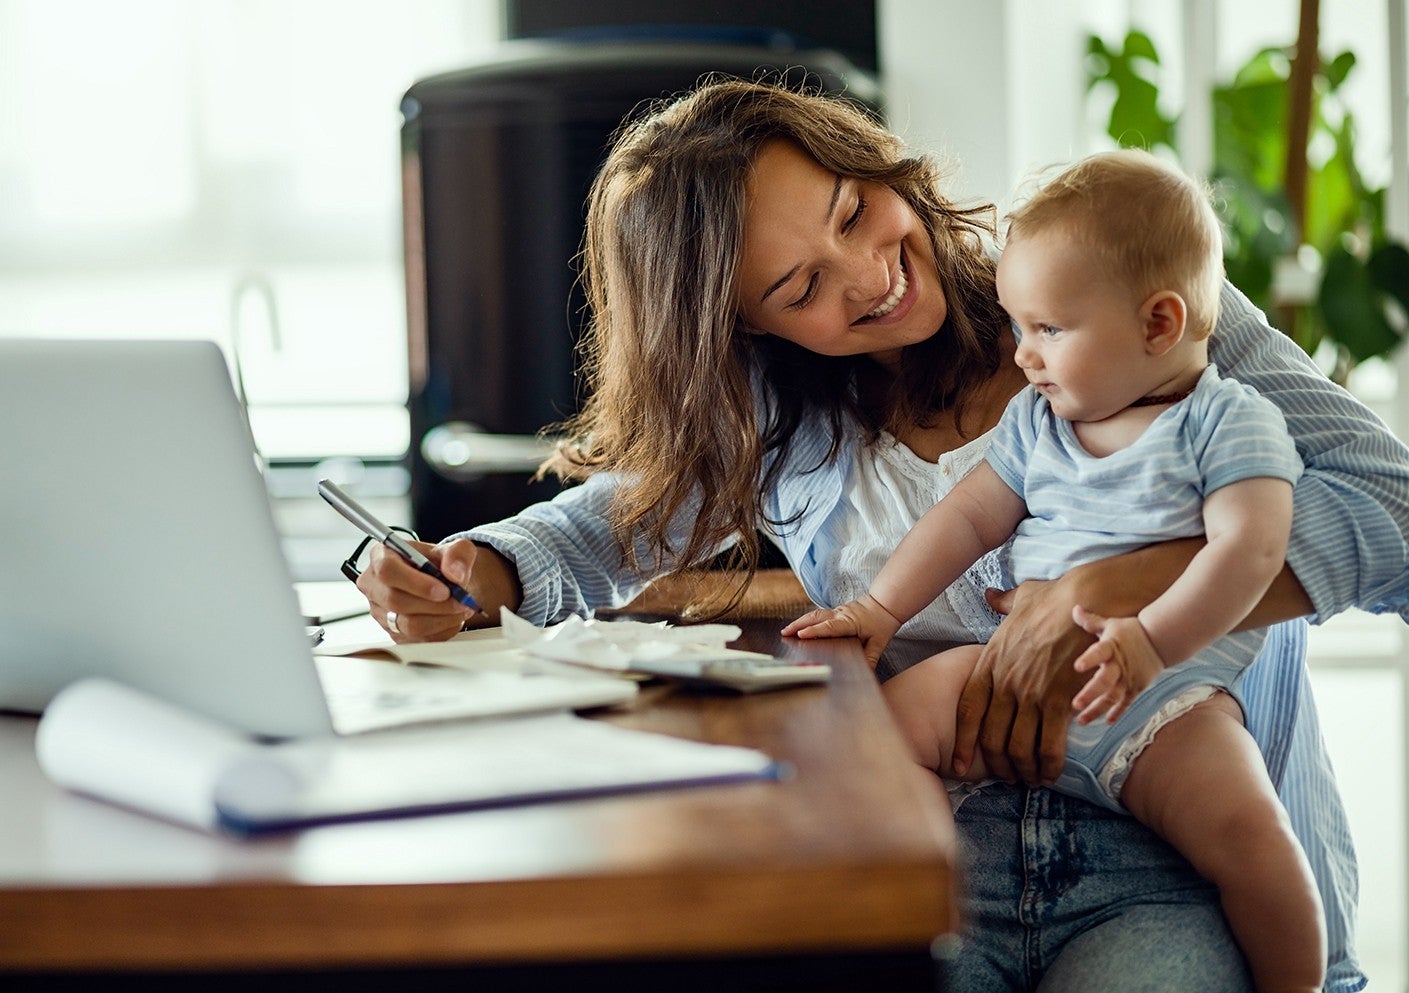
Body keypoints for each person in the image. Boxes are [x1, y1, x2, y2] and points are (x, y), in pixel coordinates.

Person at [354, 77, 1409, 992]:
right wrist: (475, 566)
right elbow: (606, 523)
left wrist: (1117, 588)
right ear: (745, 328)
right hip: (940, 846)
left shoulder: (1119, 293)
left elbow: (1395, 512)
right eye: (799, 286)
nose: (868, 274)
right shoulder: (784, 414)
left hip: (1175, 850)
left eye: (854, 212)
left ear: (877, 167)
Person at [784, 148, 1323, 993]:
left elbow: (1248, 553)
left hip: (1164, 699)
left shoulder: (1227, 421)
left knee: (1252, 835)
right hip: (1011, 669)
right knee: (882, 728)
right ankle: (932, 907)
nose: (1023, 355)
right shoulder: (1038, 422)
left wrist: (1149, 640)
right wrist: (882, 608)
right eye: (1018, 326)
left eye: (1049, 330)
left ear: (1156, 324)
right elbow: (966, 516)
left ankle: (1298, 981)